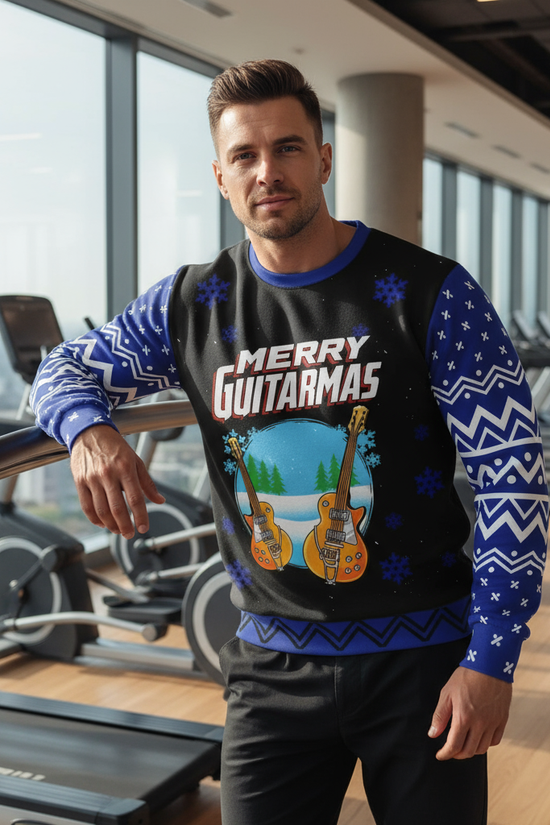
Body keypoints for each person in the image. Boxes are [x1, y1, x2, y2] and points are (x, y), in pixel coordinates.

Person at [31, 59, 548, 825]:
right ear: (220, 175)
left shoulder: (430, 292)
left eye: (288, 148)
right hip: (270, 668)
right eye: (245, 155)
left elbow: (513, 477)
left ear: (325, 159)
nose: (267, 171)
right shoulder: (191, 302)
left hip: (423, 664)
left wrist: (493, 656)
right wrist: (90, 431)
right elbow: (60, 369)